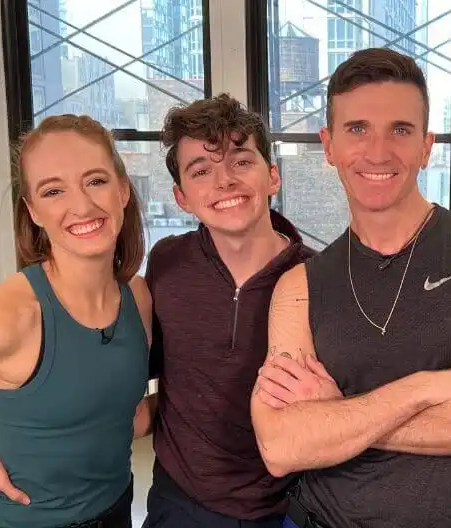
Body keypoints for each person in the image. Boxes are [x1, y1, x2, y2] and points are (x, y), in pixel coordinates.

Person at [250, 48, 451, 528]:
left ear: (427, 146)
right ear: (328, 145)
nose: (377, 151)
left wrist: (337, 417)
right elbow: (282, 446)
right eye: (357, 129)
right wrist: (428, 386)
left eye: (400, 130)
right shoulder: (299, 286)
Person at [0, 114, 152, 528]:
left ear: (123, 190)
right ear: (33, 210)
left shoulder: (137, 295)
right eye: (53, 190)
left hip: (116, 511)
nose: (81, 205)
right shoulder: (12, 316)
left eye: (95, 180)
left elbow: (121, 419)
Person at [135, 93, 315, 528]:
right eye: (201, 171)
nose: (224, 182)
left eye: (240, 162)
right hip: (179, 500)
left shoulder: (316, 277)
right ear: (181, 197)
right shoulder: (166, 263)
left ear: (272, 176)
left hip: (283, 504)